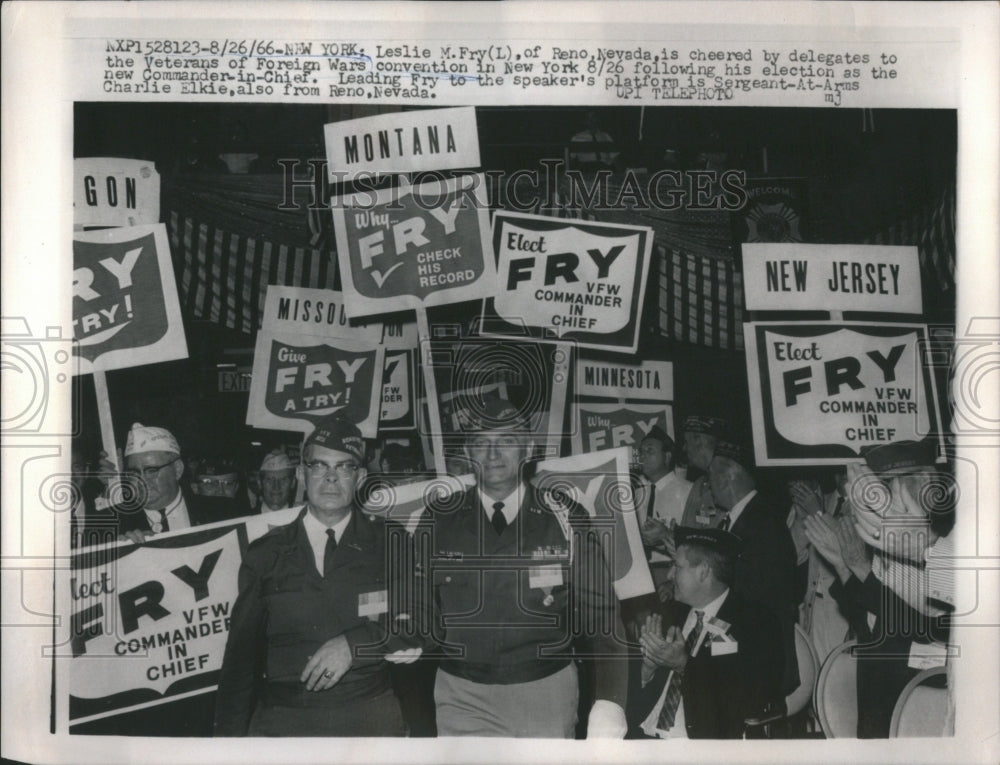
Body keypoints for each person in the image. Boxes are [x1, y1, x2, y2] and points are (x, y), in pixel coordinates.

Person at [421, 396, 629, 738]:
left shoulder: (564, 516)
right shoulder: (439, 518)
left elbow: (602, 617)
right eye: (481, 444)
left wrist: (611, 702)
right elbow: (417, 602)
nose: (492, 454)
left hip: (544, 692)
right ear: (469, 453)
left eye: (506, 442)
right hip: (462, 694)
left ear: (528, 449)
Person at [214, 415, 424, 737]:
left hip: (369, 719)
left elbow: (422, 620)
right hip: (284, 725)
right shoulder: (265, 554)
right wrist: (226, 745)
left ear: (361, 477)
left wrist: (355, 645)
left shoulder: (388, 542)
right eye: (319, 466)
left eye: (344, 467)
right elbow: (240, 663)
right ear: (301, 474)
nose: (330, 478)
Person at [804, 439, 951, 738]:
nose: (872, 503)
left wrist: (857, 568)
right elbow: (869, 622)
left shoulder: (943, 542)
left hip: (918, 698)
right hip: (877, 691)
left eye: (883, 487)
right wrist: (845, 568)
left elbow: (923, 627)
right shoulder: (885, 539)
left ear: (923, 484)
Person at [628, 528, 784, 739]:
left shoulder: (755, 623)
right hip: (643, 736)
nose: (669, 575)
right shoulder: (670, 613)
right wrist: (648, 668)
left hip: (700, 744)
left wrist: (685, 665)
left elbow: (747, 698)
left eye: (677, 566)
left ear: (704, 571)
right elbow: (632, 697)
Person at [707, 441, 799, 694]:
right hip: (746, 650)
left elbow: (755, 595)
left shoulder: (762, 522)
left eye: (710, 478)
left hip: (760, 661)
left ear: (727, 478)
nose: (708, 486)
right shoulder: (742, 518)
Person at [110, 423, 207, 544]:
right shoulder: (114, 528)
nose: (142, 481)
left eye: (151, 471)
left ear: (177, 469)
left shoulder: (219, 512)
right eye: (134, 472)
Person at [635, 426, 693, 594]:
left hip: (671, 572)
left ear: (667, 457)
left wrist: (674, 580)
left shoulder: (688, 492)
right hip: (640, 573)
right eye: (641, 452)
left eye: (650, 451)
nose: (642, 455)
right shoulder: (636, 494)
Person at [679, 415, 727, 529]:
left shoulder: (726, 482)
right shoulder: (699, 484)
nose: (684, 448)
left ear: (698, 440)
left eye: (686, 442)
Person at [254, 448, 299, 513]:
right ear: (259, 483)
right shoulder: (244, 521)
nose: (276, 487)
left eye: (283, 479)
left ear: (293, 483)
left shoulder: (303, 520)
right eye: (269, 479)